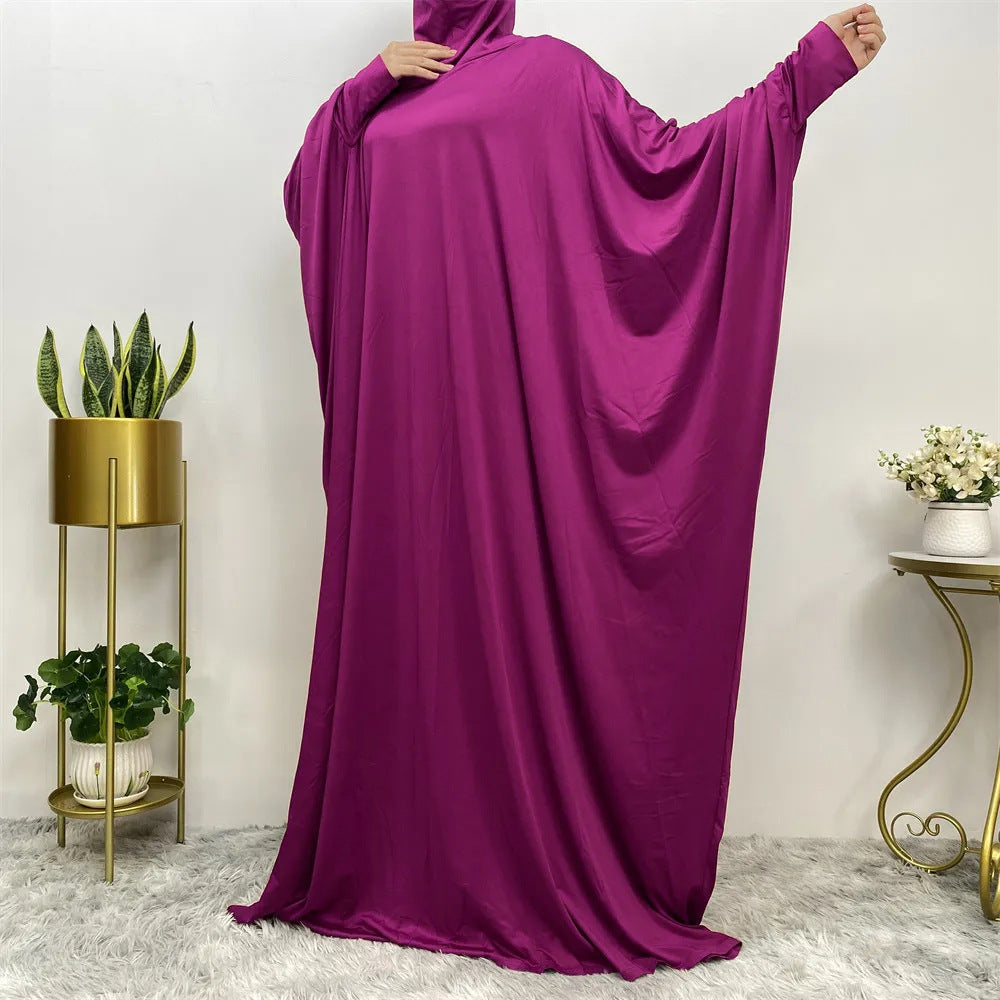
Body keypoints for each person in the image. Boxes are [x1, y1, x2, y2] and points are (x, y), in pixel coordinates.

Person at [229, 1, 886, 981]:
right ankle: (405, 869)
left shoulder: (549, 77)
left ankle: (520, 867)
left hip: (513, 436)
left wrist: (805, 76)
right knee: (419, 630)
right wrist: (365, 87)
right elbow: (309, 197)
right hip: (407, 440)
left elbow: (674, 170)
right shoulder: (379, 101)